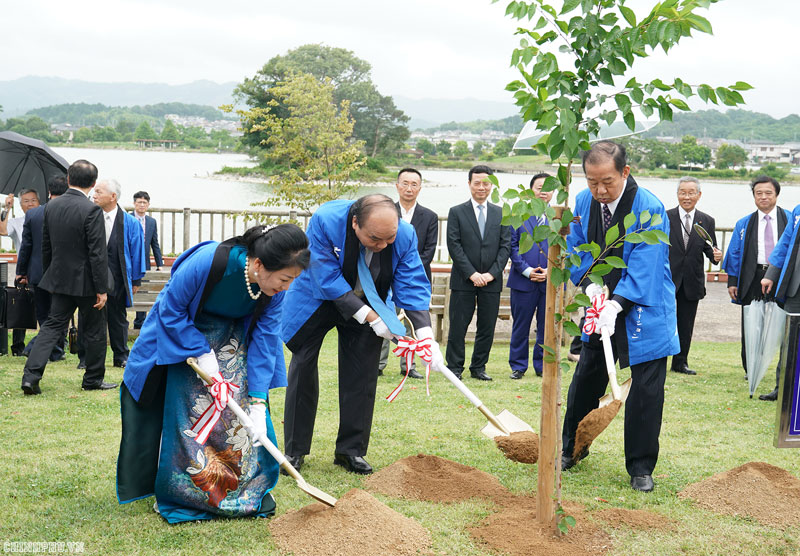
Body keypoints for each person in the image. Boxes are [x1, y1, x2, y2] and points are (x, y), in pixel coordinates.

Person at [117, 224, 309, 523]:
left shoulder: (275, 291)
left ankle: (244, 488)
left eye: (293, 281)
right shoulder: (208, 261)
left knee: (239, 412)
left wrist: (258, 402)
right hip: (185, 339)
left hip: (234, 341)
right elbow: (171, 310)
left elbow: (265, 339)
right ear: (258, 264)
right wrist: (202, 352)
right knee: (191, 413)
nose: (286, 288)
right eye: (285, 279)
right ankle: (184, 492)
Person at [281, 194, 444, 476]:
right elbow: (326, 277)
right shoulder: (326, 220)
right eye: (375, 239)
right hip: (319, 297)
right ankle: (295, 450)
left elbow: (412, 282)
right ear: (355, 223)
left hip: (372, 299)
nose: (382, 246)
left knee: (363, 373)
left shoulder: (404, 234)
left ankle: (351, 450)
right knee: (303, 366)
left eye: (388, 239)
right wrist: (371, 319)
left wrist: (426, 334)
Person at [561, 141, 679, 493]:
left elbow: (647, 263)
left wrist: (617, 303)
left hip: (645, 306)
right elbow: (578, 250)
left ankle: (641, 467)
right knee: (586, 377)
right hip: (600, 303)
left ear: (625, 172)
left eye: (607, 182)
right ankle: (571, 448)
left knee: (645, 390)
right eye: (592, 182)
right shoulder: (583, 203)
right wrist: (592, 286)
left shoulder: (649, 207)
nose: (600, 190)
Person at [20, 160, 111, 395]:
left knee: (51, 327)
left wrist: (51, 276)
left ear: (69, 180)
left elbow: (46, 248)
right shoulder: (92, 210)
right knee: (94, 330)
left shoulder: (52, 206)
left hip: (60, 280)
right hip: (88, 282)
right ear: (92, 183)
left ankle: (30, 377)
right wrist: (102, 288)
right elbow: (97, 253)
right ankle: (92, 378)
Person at [721, 175, 790, 396]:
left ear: (776, 194)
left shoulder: (789, 220)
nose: (763, 197)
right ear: (753, 196)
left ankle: (781, 366)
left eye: (768, 192)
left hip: (779, 277)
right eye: (758, 193)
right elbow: (734, 252)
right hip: (753, 275)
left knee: (782, 323)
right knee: (751, 323)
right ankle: (750, 366)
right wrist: (733, 281)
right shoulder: (744, 223)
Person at [445, 165, 511, 381]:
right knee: (458, 325)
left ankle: (479, 367)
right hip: (464, 280)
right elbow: (453, 245)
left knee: (487, 326)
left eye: (486, 183)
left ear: (492, 185)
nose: (481, 187)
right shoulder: (456, 212)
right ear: (469, 184)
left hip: (492, 281)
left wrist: (492, 274)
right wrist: (472, 273)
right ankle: (454, 367)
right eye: (477, 183)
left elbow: (505, 247)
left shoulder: (501, 213)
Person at [377, 168, 439, 379]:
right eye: (405, 183)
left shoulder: (430, 216)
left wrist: (405, 272)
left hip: (414, 278)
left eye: (414, 184)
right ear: (397, 186)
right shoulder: (383, 211)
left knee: (413, 324)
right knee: (385, 318)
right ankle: (379, 363)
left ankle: (409, 365)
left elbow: (429, 250)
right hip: (385, 278)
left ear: (420, 188)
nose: (409, 188)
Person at [78, 179, 145, 369]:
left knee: (118, 318)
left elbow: (137, 250)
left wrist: (136, 279)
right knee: (88, 317)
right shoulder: (89, 217)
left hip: (118, 276)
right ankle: (85, 358)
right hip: (92, 277)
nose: (94, 195)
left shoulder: (130, 222)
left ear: (113, 197)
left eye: (99, 192)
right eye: (94, 191)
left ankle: (121, 356)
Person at [666, 177, 722, 376]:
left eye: (691, 192)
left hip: (692, 280)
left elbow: (710, 250)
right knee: (663, 322)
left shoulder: (707, 220)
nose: (686, 197)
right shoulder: (666, 217)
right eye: (682, 192)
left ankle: (680, 363)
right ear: (677, 194)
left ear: (699, 195)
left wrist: (716, 256)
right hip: (667, 279)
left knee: (686, 323)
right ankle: (657, 361)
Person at [16, 177, 69, 361]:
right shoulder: (70, 212)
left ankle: (50, 350)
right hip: (63, 273)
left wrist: (21, 271)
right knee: (59, 314)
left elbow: (26, 247)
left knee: (43, 314)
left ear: (48, 192)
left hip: (37, 272)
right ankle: (50, 349)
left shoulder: (33, 214)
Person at [508, 173, 552, 380]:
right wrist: (527, 270)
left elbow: (566, 247)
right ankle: (518, 366)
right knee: (521, 325)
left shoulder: (558, 216)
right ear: (530, 190)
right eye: (539, 187)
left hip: (549, 282)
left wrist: (550, 271)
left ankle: (542, 365)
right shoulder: (520, 215)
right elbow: (513, 246)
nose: (543, 191)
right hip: (523, 280)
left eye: (548, 188)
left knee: (546, 327)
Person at [759, 202, 800, 401]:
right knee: (789, 341)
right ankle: (782, 388)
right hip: (796, 286)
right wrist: (771, 274)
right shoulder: (798, 210)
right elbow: (786, 242)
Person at [1, 189, 41, 356]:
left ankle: (56, 345)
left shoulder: (45, 218)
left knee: (48, 309)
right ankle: (18, 347)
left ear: (39, 202)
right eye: (25, 201)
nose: (30, 204)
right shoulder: (17, 222)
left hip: (44, 269)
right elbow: (2, 230)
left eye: (33, 200)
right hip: (25, 271)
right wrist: (6, 208)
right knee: (21, 306)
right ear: (20, 204)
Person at [131, 191, 163, 329]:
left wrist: (159, 263)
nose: (142, 205)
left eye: (145, 203)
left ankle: (140, 323)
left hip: (145, 262)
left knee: (143, 291)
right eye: (139, 202)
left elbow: (154, 243)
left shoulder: (151, 222)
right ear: (134, 203)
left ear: (148, 205)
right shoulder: (127, 218)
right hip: (130, 261)